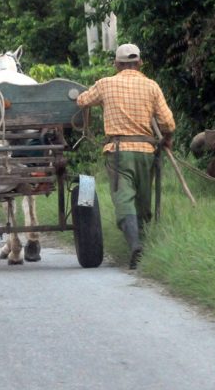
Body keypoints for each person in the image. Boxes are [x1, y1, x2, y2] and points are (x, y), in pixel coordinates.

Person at [75, 43, 175, 269]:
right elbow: (168, 123)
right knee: (143, 199)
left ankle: (135, 245)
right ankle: (142, 245)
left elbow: (82, 101)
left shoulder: (105, 84)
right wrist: (167, 139)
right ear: (140, 63)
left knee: (124, 198)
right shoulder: (151, 86)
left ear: (116, 64)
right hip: (146, 151)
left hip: (118, 151)